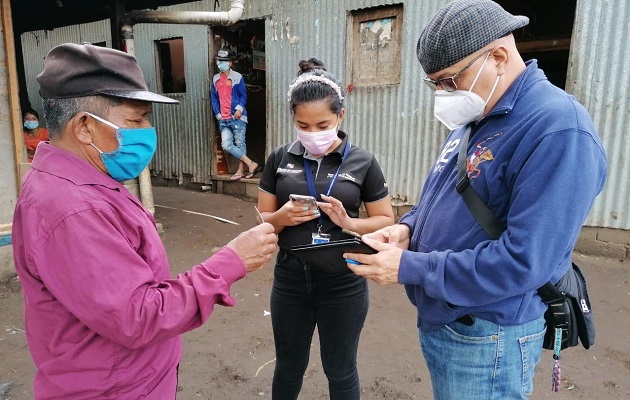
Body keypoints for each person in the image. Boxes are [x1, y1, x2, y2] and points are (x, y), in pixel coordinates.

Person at [344, 1, 607, 399]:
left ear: (498, 56)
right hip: (451, 318)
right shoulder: (480, 115)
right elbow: (442, 196)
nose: (442, 94)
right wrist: (406, 228)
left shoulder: (558, 130)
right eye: (435, 84)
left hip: (489, 334)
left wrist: (411, 266)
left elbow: (523, 262)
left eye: (449, 80)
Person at [11, 42, 278, 399]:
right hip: (114, 389)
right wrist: (230, 262)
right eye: (136, 119)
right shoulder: (73, 209)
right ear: (85, 127)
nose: (147, 130)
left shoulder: (82, 183)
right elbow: (137, 315)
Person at [256, 57, 395, 400]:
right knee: (288, 367)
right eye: (303, 124)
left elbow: (385, 220)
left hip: (343, 283)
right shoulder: (278, 158)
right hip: (290, 281)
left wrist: (349, 222)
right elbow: (262, 218)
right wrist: (282, 218)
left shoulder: (362, 161)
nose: (313, 134)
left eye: (322, 124)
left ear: (340, 117)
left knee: (340, 369)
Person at [210, 47, 259, 181]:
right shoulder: (215, 79)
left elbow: (243, 96)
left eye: (223, 61)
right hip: (223, 119)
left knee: (240, 144)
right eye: (219, 60)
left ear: (230, 63)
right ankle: (251, 163)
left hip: (237, 117)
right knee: (226, 145)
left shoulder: (237, 77)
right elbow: (214, 98)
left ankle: (240, 171)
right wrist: (217, 114)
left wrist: (238, 109)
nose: (220, 63)